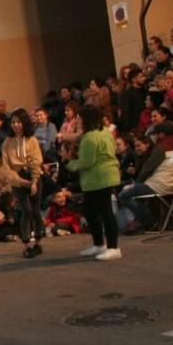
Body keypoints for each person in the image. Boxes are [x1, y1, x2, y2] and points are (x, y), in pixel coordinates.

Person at [65, 105, 123, 260]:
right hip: (100, 178)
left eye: (79, 118)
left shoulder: (90, 137)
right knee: (91, 212)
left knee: (105, 213)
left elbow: (86, 162)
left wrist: (70, 163)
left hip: (99, 178)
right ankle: (99, 244)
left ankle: (113, 247)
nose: (77, 121)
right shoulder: (104, 131)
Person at [2, 108, 44, 258]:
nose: (15, 125)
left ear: (24, 123)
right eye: (13, 122)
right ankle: (26, 244)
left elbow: (36, 161)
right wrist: (20, 181)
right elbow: (6, 167)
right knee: (26, 210)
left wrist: (33, 180)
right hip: (17, 179)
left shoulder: (32, 140)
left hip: (34, 176)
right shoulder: (7, 142)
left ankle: (38, 242)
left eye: (18, 122)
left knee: (36, 211)